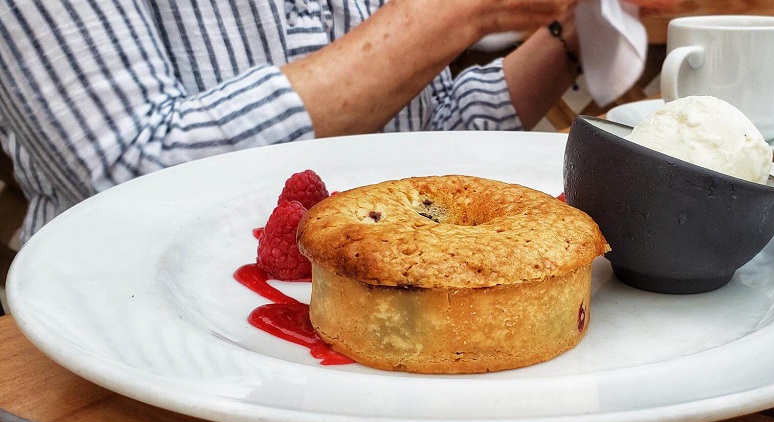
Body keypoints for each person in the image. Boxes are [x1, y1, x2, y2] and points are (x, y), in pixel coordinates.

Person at [0, 0, 596, 241]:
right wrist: (450, 15)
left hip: (382, 313)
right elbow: (129, 169)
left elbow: (427, 126)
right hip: (131, 361)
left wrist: (584, 24)